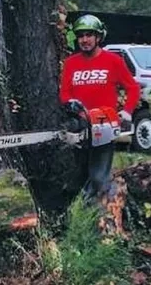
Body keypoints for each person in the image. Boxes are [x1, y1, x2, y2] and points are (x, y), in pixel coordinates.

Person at [59, 14, 140, 200]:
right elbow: (64, 93)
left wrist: (127, 111)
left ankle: (101, 209)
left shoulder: (113, 61)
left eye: (89, 35)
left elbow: (133, 88)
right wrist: (70, 103)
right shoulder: (71, 63)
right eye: (81, 36)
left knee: (98, 176)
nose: (84, 40)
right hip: (79, 123)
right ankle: (78, 210)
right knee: (77, 174)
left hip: (104, 122)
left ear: (98, 37)